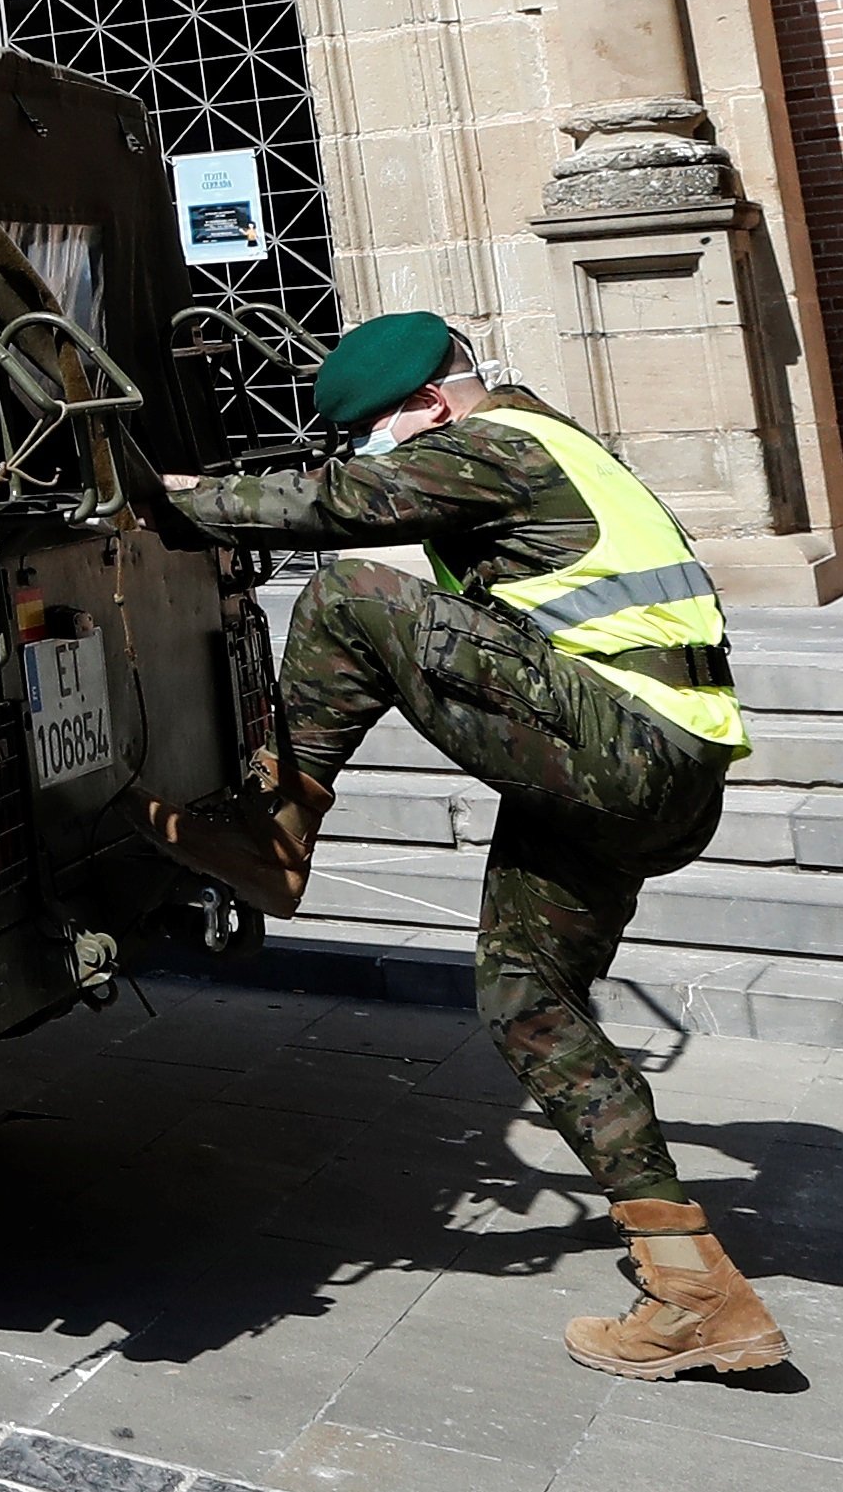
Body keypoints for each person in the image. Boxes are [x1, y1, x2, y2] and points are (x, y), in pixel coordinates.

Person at [161, 309, 785, 1382]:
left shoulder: (500, 443)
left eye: (378, 434)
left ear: (434, 405)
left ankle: (281, 832)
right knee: (525, 998)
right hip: (662, 771)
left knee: (350, 594)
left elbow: (336, 508)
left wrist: (166, 502)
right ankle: (696, 1290)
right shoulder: (554, 441)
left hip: (626, 743)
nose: (373, 457)